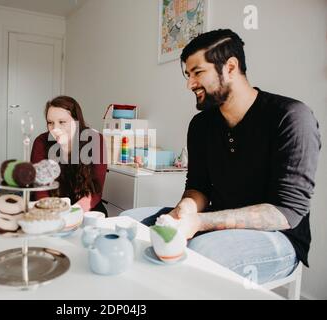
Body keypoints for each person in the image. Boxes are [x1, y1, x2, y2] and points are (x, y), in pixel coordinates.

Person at [142, 29, 321, 284]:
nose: (189, 84)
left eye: (198, 72)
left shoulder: (291, 117)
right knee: (132, 227)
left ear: (230, 67)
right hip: (214, 221)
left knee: (195, 256)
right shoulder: (201, 125)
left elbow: (286, 212)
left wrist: (199, 222)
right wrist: (181, 213)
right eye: (188, 75)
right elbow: (198, 188)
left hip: (280, 235)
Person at [31, 96, 107, 214]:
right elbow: (41, 189)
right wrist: (51, 214)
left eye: (62, 122)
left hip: (85, 206)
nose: (55, 129)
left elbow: (96, 190)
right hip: (49, 206)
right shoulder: (41, 142)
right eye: (50, 123)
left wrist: (72, 213)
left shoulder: (95, 140)